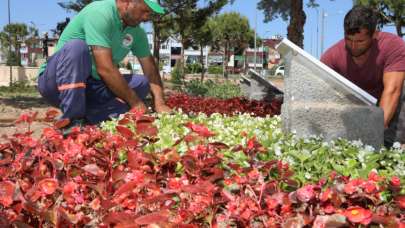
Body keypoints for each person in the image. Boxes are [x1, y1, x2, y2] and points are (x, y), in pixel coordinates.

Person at [37, 0, 171, 128]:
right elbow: (105, 69)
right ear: (127, 2)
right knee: (77, 47)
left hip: (90, 88)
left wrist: (160, 103)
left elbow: (150, 69)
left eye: (149, 13)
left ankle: (93, 119)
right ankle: (73, 120)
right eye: (144, 11)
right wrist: (135, 103)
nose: (146, 18)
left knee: (141, 83)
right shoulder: (100, 13)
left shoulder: (137, 32)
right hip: (55, 84)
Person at [321, 5, 405, 148]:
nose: (353, 46)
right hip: (358, 105)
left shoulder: (393, 45)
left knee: (391, 146)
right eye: (348, 39)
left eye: (360, 41)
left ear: (374, 35)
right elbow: (319, 91)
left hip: (388, 102)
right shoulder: (332, 56)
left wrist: (373, 134)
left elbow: (392, 91)